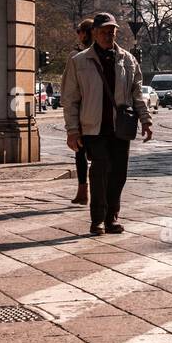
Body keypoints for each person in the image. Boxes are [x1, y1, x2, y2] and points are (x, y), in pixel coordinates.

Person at [62, 13, 153, 236]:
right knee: (100, 169)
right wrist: (72, 131)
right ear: (94, 33)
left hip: (120, 128)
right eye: (103, 31)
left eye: (111, 31)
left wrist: (146, 120)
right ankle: (98, 219)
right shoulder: (79, 61)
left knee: (119, 173)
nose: (108, 35)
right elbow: (70, 99)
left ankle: (112, 217)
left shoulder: (128, 60)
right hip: (93, 127)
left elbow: (137, 93)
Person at [62, 19, 94, 206]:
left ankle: (84, 190)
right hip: (96, 113)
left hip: (83, 114)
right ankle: (87, 191)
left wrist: (71, 127)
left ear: (84, 33)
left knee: (81, 153)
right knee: (92, 154)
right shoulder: (103, 54)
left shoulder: (76, 57)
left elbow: (68, 91)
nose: (78, 35)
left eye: (79, 31)